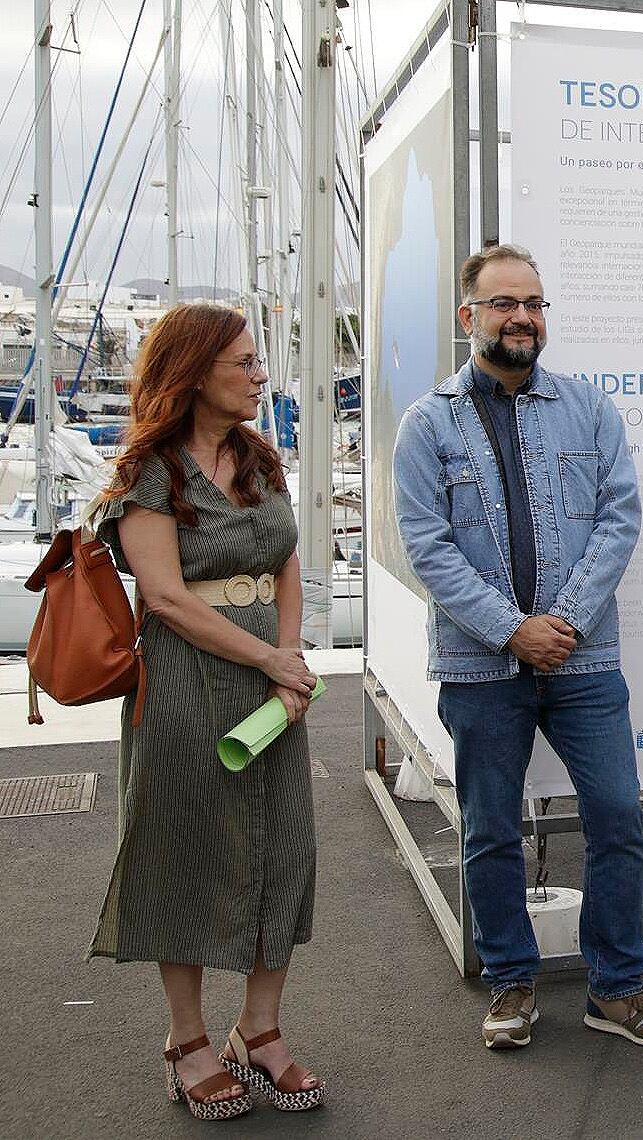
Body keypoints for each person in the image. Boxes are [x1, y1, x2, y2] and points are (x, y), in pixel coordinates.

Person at [394, 243, 643, 1049]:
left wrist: (564, 622)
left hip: (582, 660)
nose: (523, 317)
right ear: (469, 317)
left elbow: (620, 518)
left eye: (534, 304)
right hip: (480, 665)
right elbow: (427, 546)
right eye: (504, 304)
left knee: (619, 816)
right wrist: (510, 628)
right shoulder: (428, 423)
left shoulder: (588, 410)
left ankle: (616, 988)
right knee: (489, 827)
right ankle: (511, 984)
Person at [88, 303, 323, 1120]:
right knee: (185, 850)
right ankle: (186, 1040)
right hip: (188, 682)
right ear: (194, 374)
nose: (261, 376)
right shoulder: (152, 471)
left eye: (259, 363)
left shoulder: (260, 457)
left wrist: (290, 663)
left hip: (271, 686)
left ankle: (258, 1031)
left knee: (282, 849)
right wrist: (270, 661)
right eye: (246, 364)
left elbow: (289, 562)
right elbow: (163, 598)